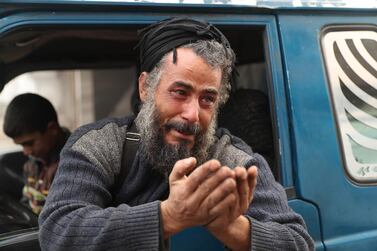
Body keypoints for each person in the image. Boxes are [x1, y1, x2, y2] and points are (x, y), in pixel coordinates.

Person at [39, 18, 314, 250]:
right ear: (146, 88)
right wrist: (168, 216)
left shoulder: (233, 161)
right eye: (180, 93)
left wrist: (233, 227)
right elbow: (59, 230)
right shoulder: (99, 144)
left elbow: (297, 242)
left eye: (207, 99)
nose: (192, 115)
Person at [3, 93, 70, 214]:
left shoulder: (76, 165)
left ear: (52, 129)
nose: (26, 152)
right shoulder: (31, 166)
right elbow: (27, 206)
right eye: (21, 145)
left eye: (29, 143)